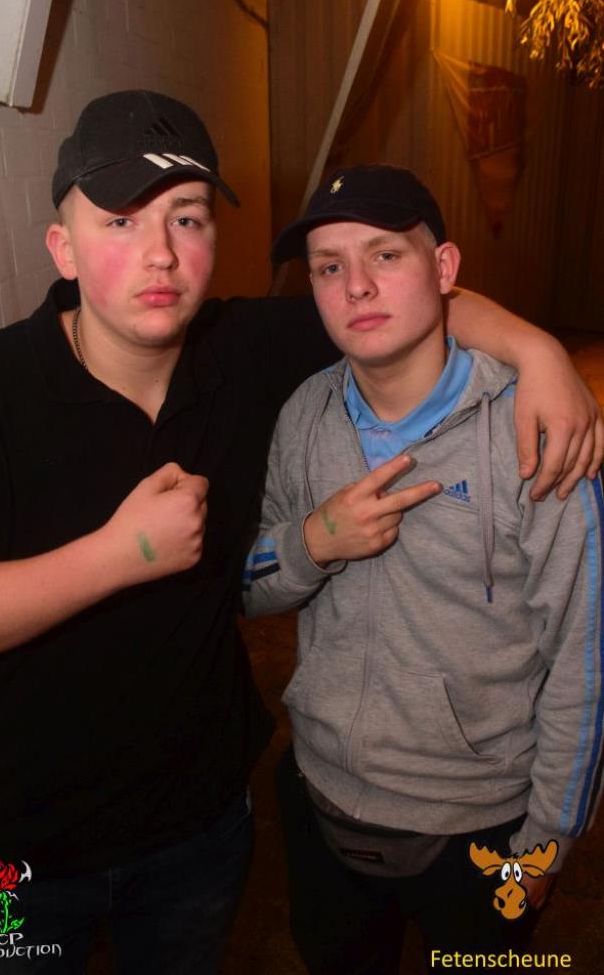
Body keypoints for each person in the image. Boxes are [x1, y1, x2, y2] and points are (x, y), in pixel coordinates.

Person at [0, 92, 600, 975]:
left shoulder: (247, 350)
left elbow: (401, 299)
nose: (160, 252)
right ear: (64, 248)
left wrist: (540, 354)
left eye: (186, 217)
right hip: (22, 850)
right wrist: (120, 554)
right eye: (119, 221)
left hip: (196, 831)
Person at [242, 164, 604, 974]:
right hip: (320, 795)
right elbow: (248, 589)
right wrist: (313, 542)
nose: (356, 286)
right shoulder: (303, 414)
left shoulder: (536, 434)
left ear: (443, 268)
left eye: (385, 255)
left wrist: (546, 844)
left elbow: (586, 657)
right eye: (328, 267)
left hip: (478, 826)